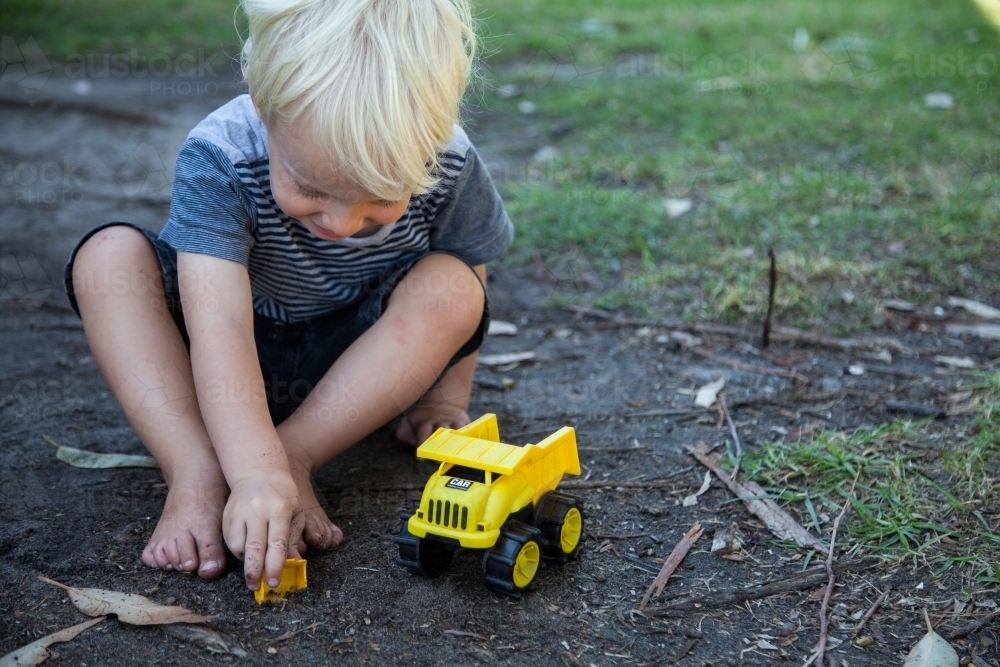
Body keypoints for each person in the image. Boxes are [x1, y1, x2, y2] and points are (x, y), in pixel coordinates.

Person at [63, 0, 511, 593]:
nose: (342, 222)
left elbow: (467, 270)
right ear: (261, 101)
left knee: (454, 285)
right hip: (218, 356)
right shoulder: (221, 154)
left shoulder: (446, 158)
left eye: (379, 201)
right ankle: (196, 469)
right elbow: (217, 321)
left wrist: (440, 399)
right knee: (108, 260)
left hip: (355, 370)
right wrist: (252, 472)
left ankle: (297, 453)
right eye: (308, 187)